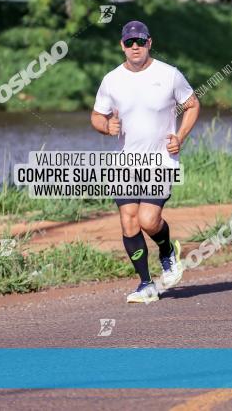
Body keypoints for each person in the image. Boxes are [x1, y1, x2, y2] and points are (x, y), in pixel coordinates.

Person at [91, 20, 200, 303]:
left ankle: (166, 251)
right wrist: (106, 127)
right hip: (124, 164)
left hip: (160, 161)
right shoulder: (111, 80)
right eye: (130, 43)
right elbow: (96, 116)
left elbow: (192, 105)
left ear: (149, 42)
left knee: (148, 220)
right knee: (129, 222)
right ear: (122, 46)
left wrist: (181, 136)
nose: (135, 47)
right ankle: (145, 284)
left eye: (140, 41)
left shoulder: (169, 75)